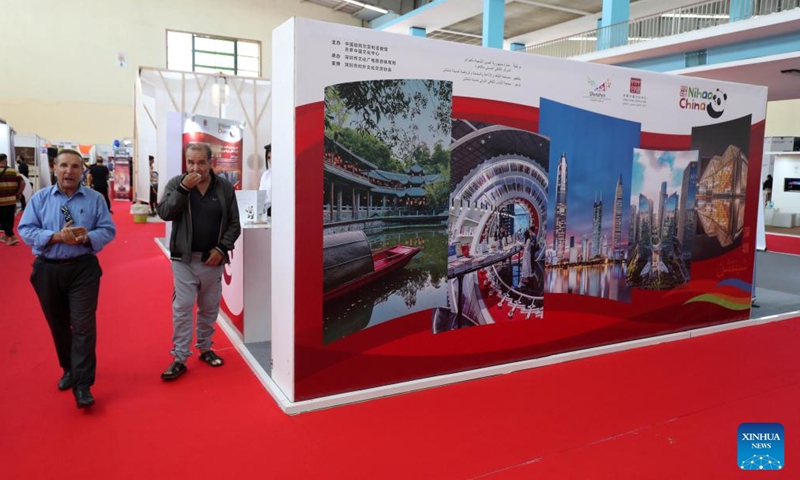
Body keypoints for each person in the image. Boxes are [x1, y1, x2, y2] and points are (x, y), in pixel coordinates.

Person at [17, 149, 116, 409]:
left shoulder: (95, 199)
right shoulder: (39, 199)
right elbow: (25, 230)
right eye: (63, 166)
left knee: (83, 326)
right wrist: (56, 236)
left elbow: (108, 230)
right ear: (55, 168)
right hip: (47, 269)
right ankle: (69, 368)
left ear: (82, 170)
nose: (68, 171)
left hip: (83, 269)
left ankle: (83, 385)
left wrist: (86, 237)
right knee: (59, 324)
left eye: (74, 166)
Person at [157, 143, 241, 381]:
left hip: (213, 260)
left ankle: (205, 348)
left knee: (209, 308)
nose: (196, 167)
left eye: (201, 162)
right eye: (191, 163)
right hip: (183, 259)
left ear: (210, 162)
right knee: (182, 308)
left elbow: (235, 224)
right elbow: (164, 212)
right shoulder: (176, 183)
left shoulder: (223, 187)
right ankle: (180, 357)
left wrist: (221, 248)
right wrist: (184, 190)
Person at [0, 154, 25, 245]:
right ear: (5, 160)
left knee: (3, 220)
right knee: (10, 218)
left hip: (1, 200)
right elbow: (22, 182)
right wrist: (19, 193)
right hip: (11, 199)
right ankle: (6, 237)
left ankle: (13, 237)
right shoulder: (13, 171)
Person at [258, 144, 272, 218]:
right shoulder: (266, 175)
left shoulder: (287, 173)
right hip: (268, 211)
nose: (270, 160)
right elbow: (261, 195)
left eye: (273, 157)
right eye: (269, 157)